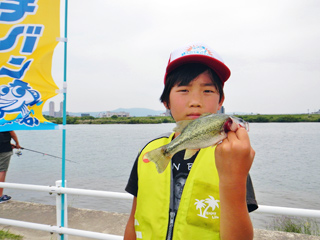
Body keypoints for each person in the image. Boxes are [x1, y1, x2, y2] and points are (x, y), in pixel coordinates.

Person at [124, 43, 258, 240]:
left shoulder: (231, 158)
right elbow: (134, 220)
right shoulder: (149, 151)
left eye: (208, 91)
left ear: (221, 101)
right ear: (166, 102)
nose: (195, 101)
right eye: (184, 90)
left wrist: (234, 180)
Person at [0, 131, 21, 203]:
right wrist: (17, 144)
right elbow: (12, 134)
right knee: (2, 171)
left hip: (4, 146)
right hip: (4, 150)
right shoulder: (6, 121)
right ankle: (0, 196)